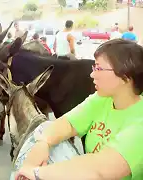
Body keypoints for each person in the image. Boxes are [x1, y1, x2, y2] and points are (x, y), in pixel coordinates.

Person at [12, 39, 143, 180]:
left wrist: (36, 173)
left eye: (99, 68)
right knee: (43, 128)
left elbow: (99, 170)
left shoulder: (139, 122)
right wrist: (42, 143)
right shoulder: (103, 99)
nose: (92, 74)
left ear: (125, 77)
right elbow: (66, 124)